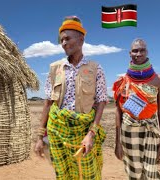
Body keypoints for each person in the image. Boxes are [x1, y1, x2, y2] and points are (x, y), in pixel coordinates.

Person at [34, 16, 108, 180]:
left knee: (88, 173)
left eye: (67, 38)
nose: (63, 43)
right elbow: (48, 102)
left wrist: (91, 134)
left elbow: (101, 101)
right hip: (56, 131)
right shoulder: (55, 69)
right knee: (62, 174)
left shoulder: (95, 68)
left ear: (81, 40)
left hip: (83, 132)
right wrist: (40, 137)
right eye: (61, 40)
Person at [113, 39, 160, 179]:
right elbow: (118, 111)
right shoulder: (122, 80)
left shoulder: (158, 79)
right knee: (134, 173)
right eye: (135, 50)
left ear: (147, 52)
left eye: (142, 50)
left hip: (151, 131)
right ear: (130, 53)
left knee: (151, 172)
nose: (138, 53)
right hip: (129, 131)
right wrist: (117, 143)